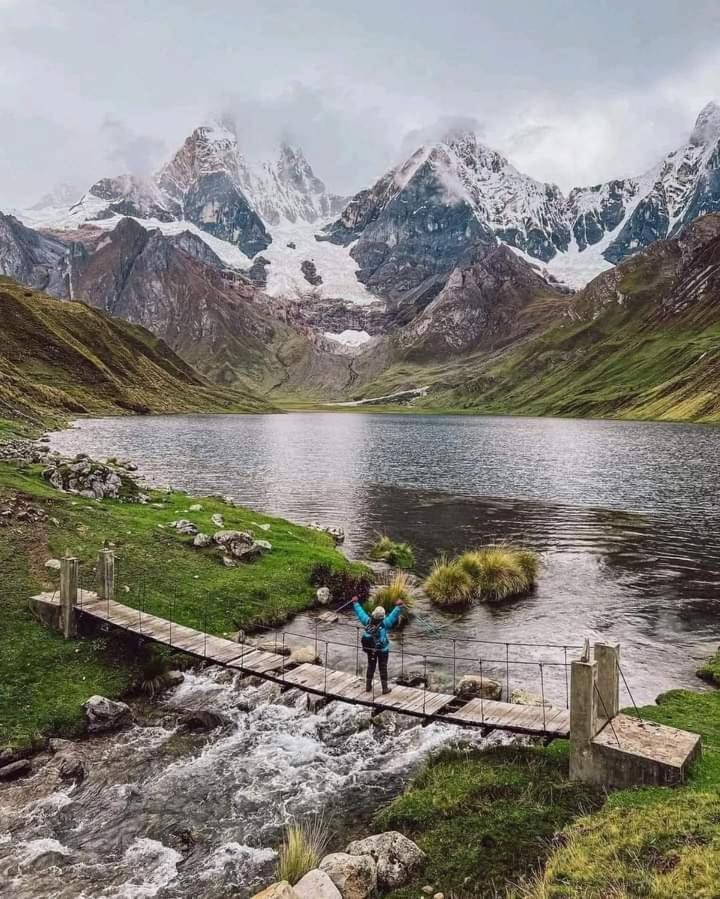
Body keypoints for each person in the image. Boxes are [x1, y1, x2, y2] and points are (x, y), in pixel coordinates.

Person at [351, 595, 404, 695]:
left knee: (371, 666)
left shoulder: (367, 621)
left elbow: (360, 613)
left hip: (371, 649)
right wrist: (399, 606)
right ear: (383, 616)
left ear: (373, 614)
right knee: (383, 668)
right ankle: (385, 689)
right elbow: (393, 615)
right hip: (383, 650)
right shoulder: (385, 623)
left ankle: (368, 686)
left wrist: (355, 603)